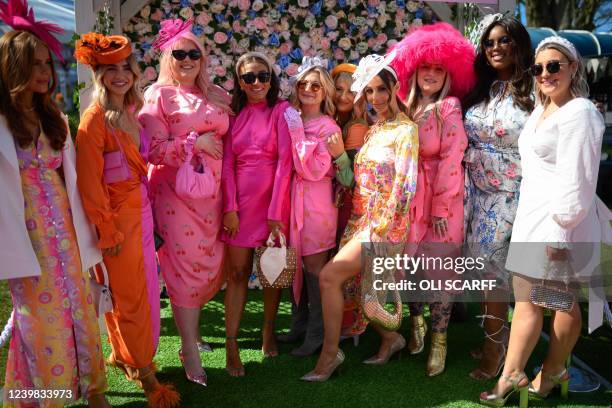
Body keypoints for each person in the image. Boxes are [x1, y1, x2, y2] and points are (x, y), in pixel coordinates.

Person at [480, 36, 611, 408]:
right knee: (531, 298)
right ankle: (543, 373)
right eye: (538, 68)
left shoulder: (581, 112)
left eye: (554, 65)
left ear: (573, 67)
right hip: (532, 216)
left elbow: (579, 179)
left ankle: (524, 374)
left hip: (561, 223)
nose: (545, 74)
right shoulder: (542, 110)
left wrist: (561, 232)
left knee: (554, 300)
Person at [0, 1, 109, 406]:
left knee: (81, 312)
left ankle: (95, 392)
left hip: (66, 235)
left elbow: (75, 182)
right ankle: (51, 398)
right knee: (43, 327)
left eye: (48, 63)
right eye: (37, 65)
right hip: (26, 241)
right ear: (15, 68)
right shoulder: (1, 124)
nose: (46, 72)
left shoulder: (56, 120)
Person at [74, 33, 179, 407]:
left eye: (125, 68)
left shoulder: (132, 113)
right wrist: (106, 230)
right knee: (129, 298)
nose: (120, 76)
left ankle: (127, 357)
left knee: (144, 292)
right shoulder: (93, 121)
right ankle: (146, 371)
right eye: (110, 69)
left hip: (142, 217)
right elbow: (89, 182)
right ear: (98, 74)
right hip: (118, 225)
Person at [301, 52, 419, 381]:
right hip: (359, 218)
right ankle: (391, 339)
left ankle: (329, 355)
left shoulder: (405, 130)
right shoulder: (375, 127)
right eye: (369, 91)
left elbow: (405, 186)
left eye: (381, 89)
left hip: (383, 224)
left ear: (394, 88)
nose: (376, 97)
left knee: (328, 277)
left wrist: (381, 229)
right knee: (358, 288)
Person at [139, 18, 231, 386]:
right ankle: (189, 350)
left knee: (210, 264)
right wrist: (196, 143)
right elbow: (154, 150)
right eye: (180, 53)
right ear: (168, 57)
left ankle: (193, 335)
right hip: (175, 198)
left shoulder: (215, 93)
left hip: (213, 197)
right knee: (183, 268)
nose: (188, 59)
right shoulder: (157, 96)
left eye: (195, 53)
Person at [391, 22, 474, 376]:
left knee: (440, 272)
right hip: (409, 198)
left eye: (439, 68)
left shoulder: (449, 107)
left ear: (448, 74)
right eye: (426, 66)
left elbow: (453, 156)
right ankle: (417, 327)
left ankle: (439, 341)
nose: (431, 73)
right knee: (411, 268)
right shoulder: (404, 107)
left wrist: (441, 205)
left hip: (441, 199)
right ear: (415, 69)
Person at [462, 15, 534, 380]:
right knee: (483, 270)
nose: (495, 48)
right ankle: (496, 336)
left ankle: (495, 352)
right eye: (489, 42)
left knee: (494, 273)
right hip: (474, 191)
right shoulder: (483, 89)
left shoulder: (535, 91)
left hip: (512, 194)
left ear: (518, 44)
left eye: (504, 40)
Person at [221, 51, 292, 376]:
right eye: (249, 77)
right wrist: (230, 208)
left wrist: (276, 211)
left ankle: (268, 330)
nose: (257, 82)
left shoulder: (282, 111)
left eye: (262, 76)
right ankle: (231, 343)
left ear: (271, 79)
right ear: (240, 82)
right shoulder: (232, 115)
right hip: (240, 207)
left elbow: (285, 163)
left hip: (272, 206)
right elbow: (226, 166)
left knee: (272, 273)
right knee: (236, 275)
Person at [287, 58, 340, 357]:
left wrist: (296, 135)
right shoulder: (291, 117)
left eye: (315, 85)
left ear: (324, 93)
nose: (308, 89)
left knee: (314, 270)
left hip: (316, 201)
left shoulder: (328, 126)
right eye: (303, 83)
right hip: (292, 199)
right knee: (293, 263)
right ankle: (299, 325)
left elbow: (315, 169)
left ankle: (316, 334)